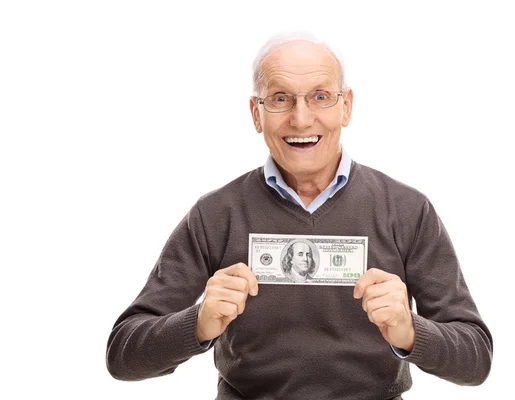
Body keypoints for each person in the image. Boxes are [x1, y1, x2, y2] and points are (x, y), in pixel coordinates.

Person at [106, 33, 493, 399]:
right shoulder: (215, 215)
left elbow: (476, 359)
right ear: (256, 114)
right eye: (280, 99)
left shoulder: (408, 210)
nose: (302, 119)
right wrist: (198, 323)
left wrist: (411, 331)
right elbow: (123, 355)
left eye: (321, 97)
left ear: (347, 106)